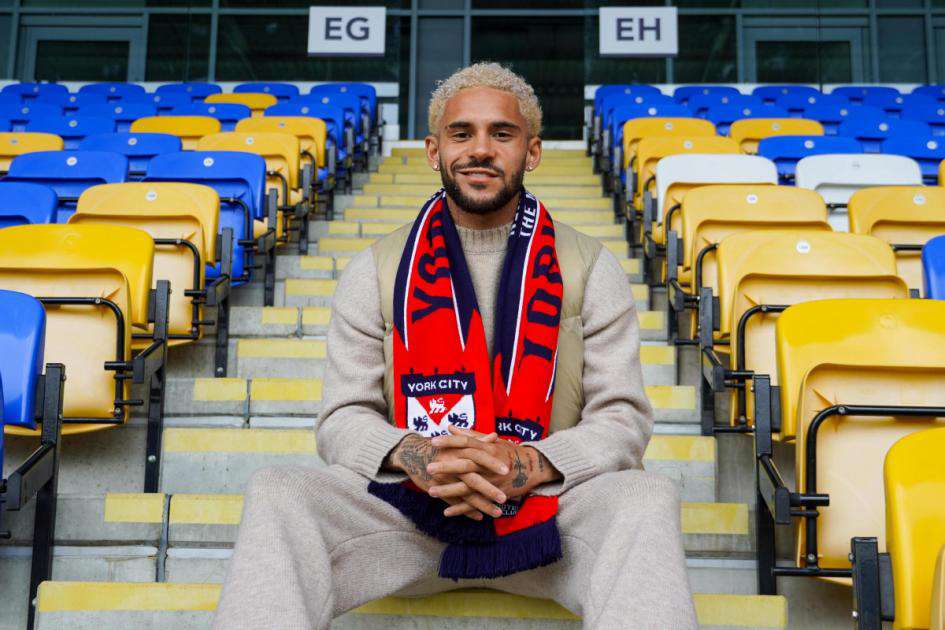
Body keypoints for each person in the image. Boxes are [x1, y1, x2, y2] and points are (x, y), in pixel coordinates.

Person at [213, 62, 697, 629]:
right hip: (412, 518)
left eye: (502, 134)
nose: (481, 150)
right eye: (461, 133)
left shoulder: (590, 266)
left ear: (532, 152)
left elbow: (621, 417)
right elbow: (343, 417)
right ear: (433, 150)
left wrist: (527, 464)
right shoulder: (376, 269)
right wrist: (421, 458)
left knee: (646, 496)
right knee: (279, 490)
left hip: (550, 522)